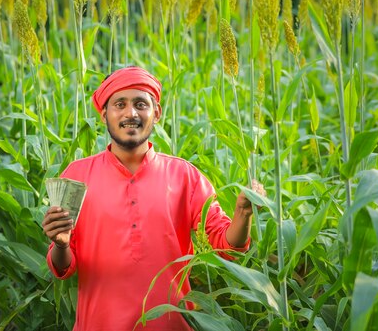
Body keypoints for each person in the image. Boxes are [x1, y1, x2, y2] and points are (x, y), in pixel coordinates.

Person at [42, 66, 262, 331]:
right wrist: (62, 245)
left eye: (140, 104)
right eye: (119, 104)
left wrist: (243, 214)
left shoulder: (185, 176)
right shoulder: (77, 176)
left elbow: (226, 247)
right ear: (104, 114)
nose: (130, 113)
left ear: (156, 113)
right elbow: (63, 267)